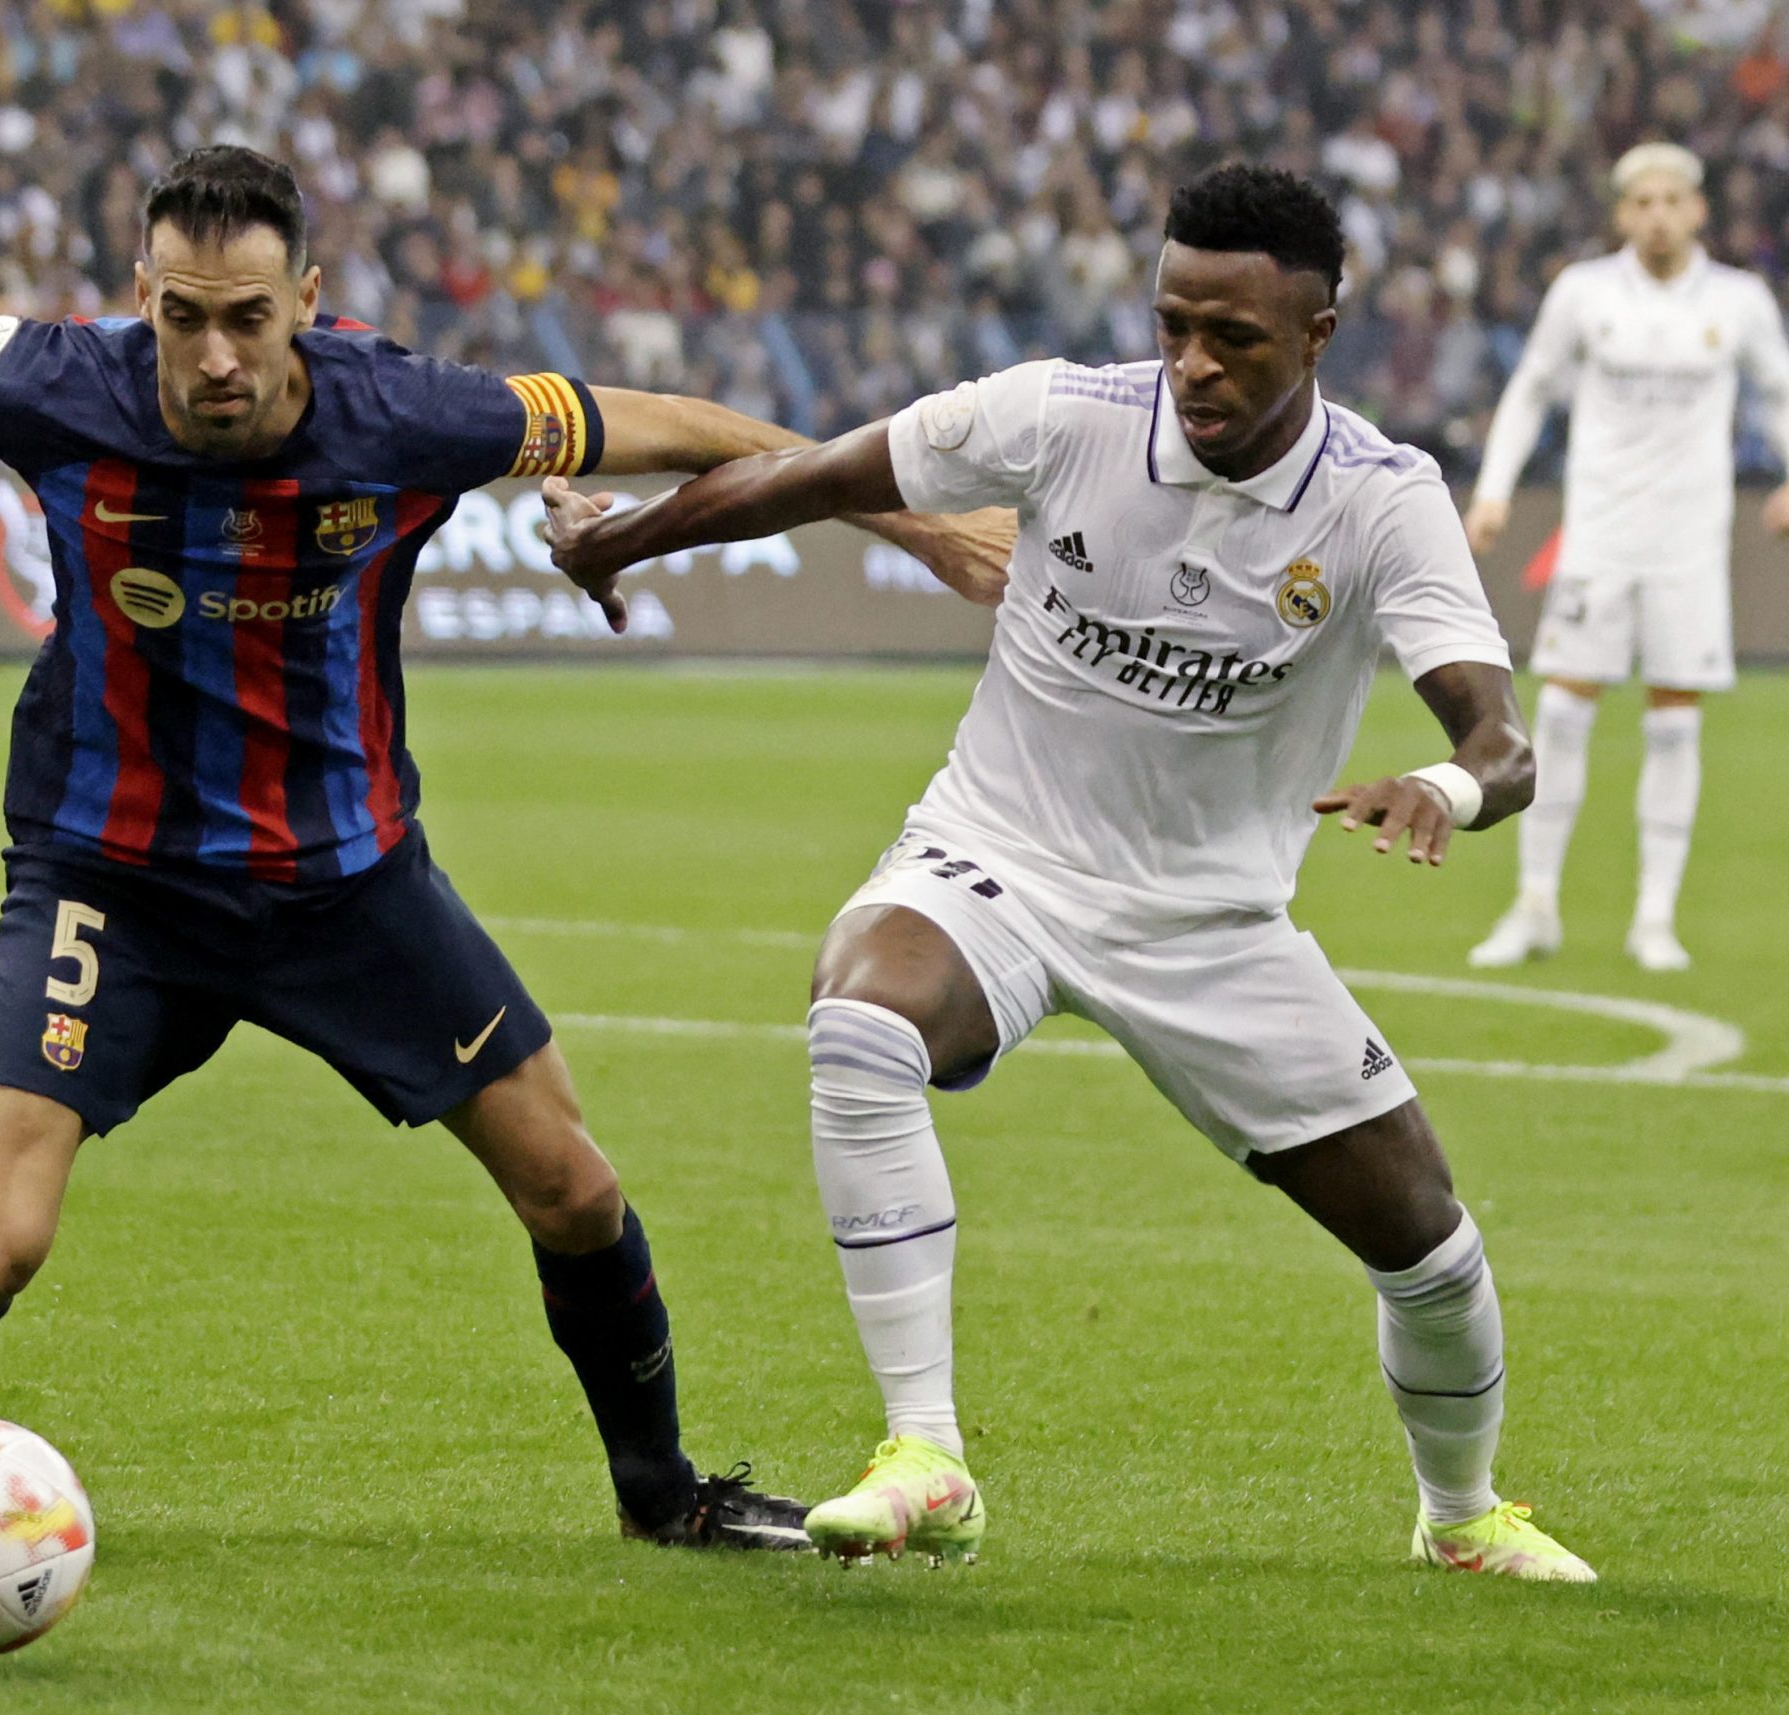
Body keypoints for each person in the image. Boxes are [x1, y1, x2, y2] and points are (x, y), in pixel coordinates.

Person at [0, 144, 1015, 1549]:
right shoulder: (53, 381)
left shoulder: (413, 413)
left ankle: (662, 1495)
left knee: (575, 1190)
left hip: (347, 885)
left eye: (246, 319)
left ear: (307, 303)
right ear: (142, 295)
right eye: (181, 313)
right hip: (108, 882)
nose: (211, 353)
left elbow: (695, 426)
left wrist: (923, 522)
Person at [542, 164, 1595, 1581]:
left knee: (1428, 1244)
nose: (1195, 365)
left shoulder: (1380, 501)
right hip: (1003, 858)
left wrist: (1445, 785)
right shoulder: (1061, 415)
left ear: (1321, 334)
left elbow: (1504, 740)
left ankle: (1462, 1515)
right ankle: (927, 1455)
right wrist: (619, 536)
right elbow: (806, 475)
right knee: (862, 1016)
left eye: (1238, 340)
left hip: (1212, 920)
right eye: (1173, 324)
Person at [1463, 142, 1789, 973]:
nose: (1657, 215)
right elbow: (1532, 385)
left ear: (1698, 209)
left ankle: (1654, 918)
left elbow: (1779, 394)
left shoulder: (1739, 301)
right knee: (1563, 716)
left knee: (1675, 725)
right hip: (1599, 536)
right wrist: (1495, 488)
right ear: (1621, 213)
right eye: (1640, 201)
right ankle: (1534, 905)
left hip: (1688, 543)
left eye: (1671, 200)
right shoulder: (1584, 293)